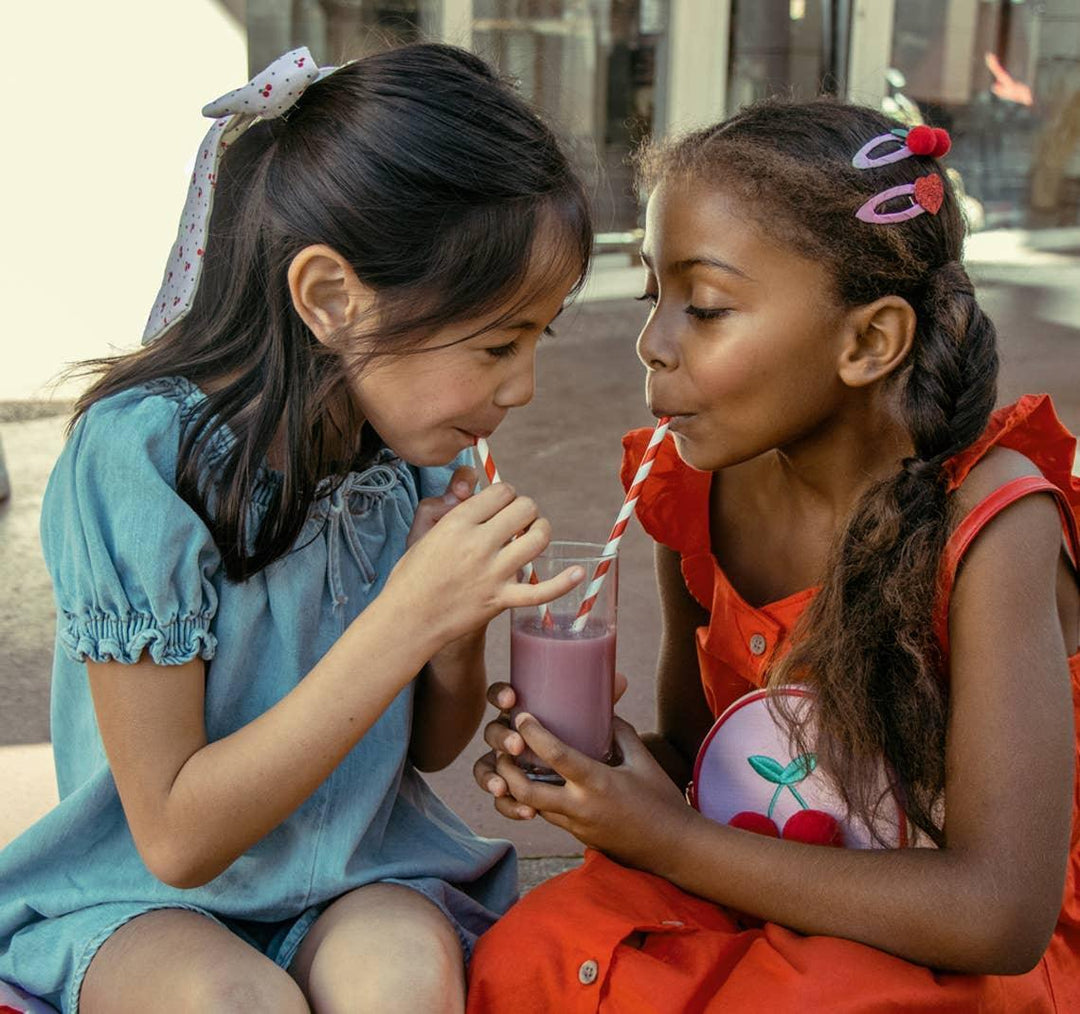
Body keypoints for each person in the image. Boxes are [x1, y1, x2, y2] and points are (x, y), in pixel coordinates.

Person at [0, 42, 592, 1014]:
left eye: (537, 337)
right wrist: (407, 614)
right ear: (330, 299)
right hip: (147, 896)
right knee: (241, 1003)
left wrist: (456, 621)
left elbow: (432, 749)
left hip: (357, 868)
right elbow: (177, 836)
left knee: (403, 986)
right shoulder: (139, 464)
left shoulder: (411, 445)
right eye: (496, 342)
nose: (521, 387)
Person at [468, 97, 1080, 1011]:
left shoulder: (993, 529)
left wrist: (667, 840)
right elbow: (697, 755)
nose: (652, 344)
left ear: (869, 340)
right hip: (759, 870)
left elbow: (1000, 912)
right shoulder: (697, 491)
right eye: (653, 296)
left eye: (706, 309)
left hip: (951, 933)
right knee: (529, 957)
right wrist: (602, 774)